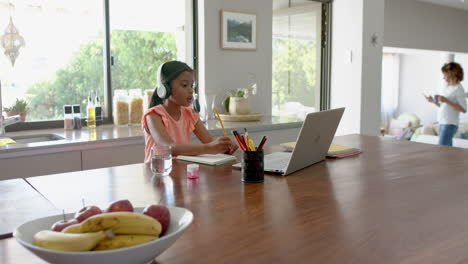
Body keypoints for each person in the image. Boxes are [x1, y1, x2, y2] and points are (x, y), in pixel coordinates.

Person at [142, 60, 238, 163]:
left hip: (180, 171)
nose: (191, 90)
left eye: (192, 86)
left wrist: (224, 146)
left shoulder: (190, 114)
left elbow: (210, 141)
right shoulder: (153, 115)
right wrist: (208, 148)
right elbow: (169, 147)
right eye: (184, 85)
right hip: (157, 173)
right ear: (165, 89)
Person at [424, 62, 467, 146]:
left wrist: (446, 100)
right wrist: (433, 101)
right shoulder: (448, 87)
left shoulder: (459, 88)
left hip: (450, 123)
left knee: (442, 148)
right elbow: (443, 106)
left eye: (445, 75)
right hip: (443, 121)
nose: (443, 77)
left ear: (452, 74)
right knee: (446, 149)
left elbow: (464, 109)